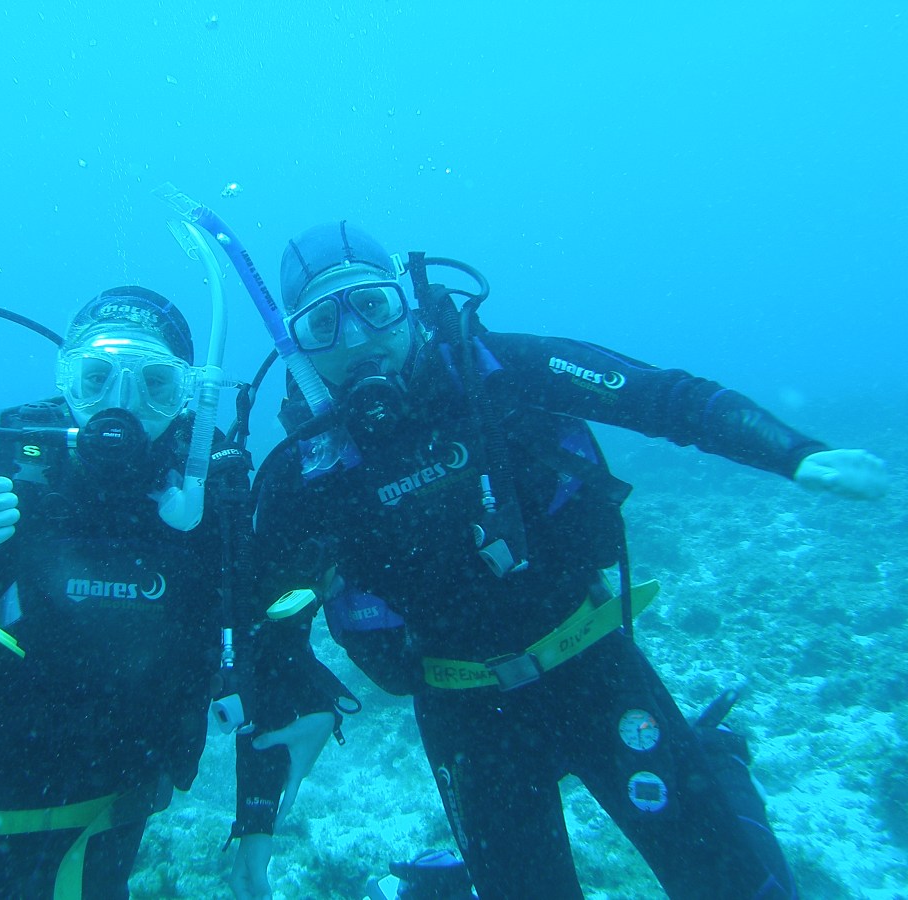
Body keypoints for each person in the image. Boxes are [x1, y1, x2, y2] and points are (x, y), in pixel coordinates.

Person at [230, 221, 889, 900]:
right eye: (322, 324)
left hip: (596, 671)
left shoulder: (506, 373)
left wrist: (794, 452)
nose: (358, 339)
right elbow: (264, 633)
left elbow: (666, 398)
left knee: (734, 888)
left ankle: (716, 767)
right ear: (294, 345)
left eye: (373, 306)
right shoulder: (299, 480)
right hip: (465, 718)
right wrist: (258, 803)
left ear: (406, 301)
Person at [0, 286, 335, 899]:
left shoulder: (207, 519)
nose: (120, 406)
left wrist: (255, 825)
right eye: (97, 378)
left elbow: (268, 664)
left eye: (155, 383)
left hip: (106, 833)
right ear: (65, 382)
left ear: (188, 402)